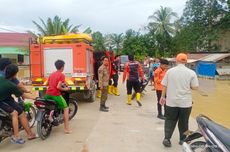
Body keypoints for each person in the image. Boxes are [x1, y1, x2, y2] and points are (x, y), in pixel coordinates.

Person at [160, 53, 199, 147]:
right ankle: (183, 140)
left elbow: (164, 85)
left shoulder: (170, 71)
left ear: (176, 60)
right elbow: (195, 87)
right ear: (186, 61)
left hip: (171, 102)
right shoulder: (191, 72)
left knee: (169, 120)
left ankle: (167, 139)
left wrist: (162, 97)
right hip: (185, 103)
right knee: (184, 122)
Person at [0, 64, 36, 144]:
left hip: (5, 99)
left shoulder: (1, 78)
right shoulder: (11, 85)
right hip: (2, 101)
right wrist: (33, 98)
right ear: (15, 74)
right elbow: (22, 94)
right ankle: (17, 136)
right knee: (16, 113)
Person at [44, 60, 71, 133]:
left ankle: (50, 117)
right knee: (66, 108)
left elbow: (46, 84)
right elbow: (58, 87)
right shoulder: (61, 75)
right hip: (55, 95)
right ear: (62, 67)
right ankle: (66, 129)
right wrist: (65, 89)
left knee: (50, 106)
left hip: (47, 94)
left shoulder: (52, 74)